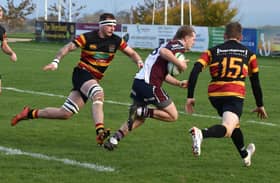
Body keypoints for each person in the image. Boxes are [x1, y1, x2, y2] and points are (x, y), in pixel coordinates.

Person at [11, 13, 143, 145]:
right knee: (98, 94)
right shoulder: (88, 37)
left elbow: (131, 53)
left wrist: (139, 61)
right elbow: (68, 47)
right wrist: (55, 61)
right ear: (101, 25)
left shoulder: (116, 40)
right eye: (109, 25)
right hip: (82, 73)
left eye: (114, 26)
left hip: (93, 79)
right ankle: (100, 131)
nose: (112, 28)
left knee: (65, 113)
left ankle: (29, 113)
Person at [185, 22, 268, 167]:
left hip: (215, 95)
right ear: (241, 37)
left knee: (234, 125)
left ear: (224, 36)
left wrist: (190, 96)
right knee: (228, 128)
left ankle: (245, 155)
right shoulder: (250, 55)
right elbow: (255, 82)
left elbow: (195, 70)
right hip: (234, 94)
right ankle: (201, 134)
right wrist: (260, 104)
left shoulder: (212, 51)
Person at [104, 25, 196, 151]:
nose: (193, 42)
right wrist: (180, 64)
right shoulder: (178, 44)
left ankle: (114, 139)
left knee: (140, 120)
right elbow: (165, 53)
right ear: (186, 38)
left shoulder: (168, 45)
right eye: (193, 39)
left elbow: (162, 74)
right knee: (173, 115)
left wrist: (178, 83)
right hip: (149, 84)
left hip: (139, 83)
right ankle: (141, 110)